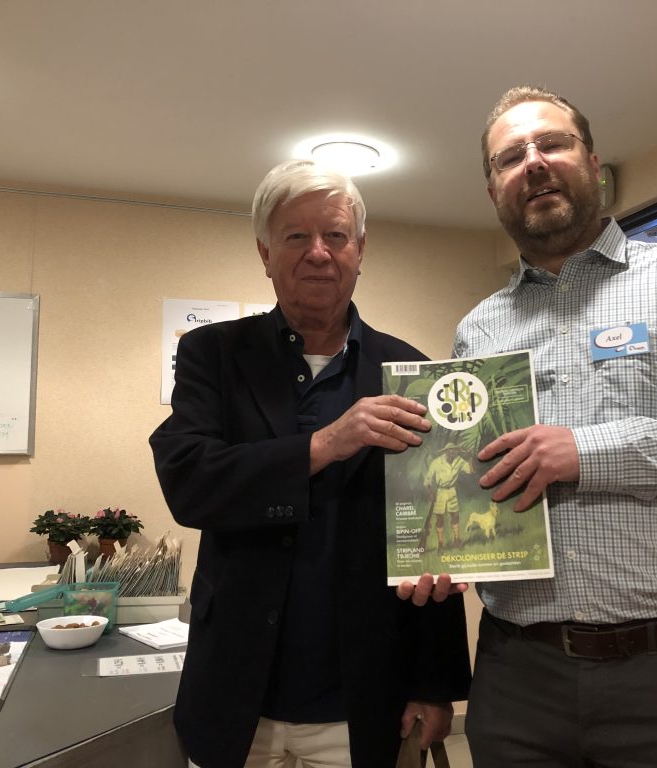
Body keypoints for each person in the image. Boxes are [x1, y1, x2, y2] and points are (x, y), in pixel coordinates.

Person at [407, 85, 657, 767]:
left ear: (593, 163)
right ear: (494, 190)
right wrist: (447, 552)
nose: (533, 163)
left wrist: (587, 452)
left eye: (552, 144)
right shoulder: (479, 329)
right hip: (516, 675)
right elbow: (480, 476)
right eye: (510, 157)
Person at [150, 159, 470, 768]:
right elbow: (190, 481)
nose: (318, 252)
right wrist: (324, 444)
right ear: (265, 253)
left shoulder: (409, 370)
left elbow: (435, 536)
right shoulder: (212, 354)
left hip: (364, 699)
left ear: (360, 250)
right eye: (296, 235)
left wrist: (434, 682)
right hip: (235, 697)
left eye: (336, 235)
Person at [422, 443, 475, 550]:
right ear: (445, 451)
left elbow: (471, 471)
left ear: (456, 451)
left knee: (455, 516)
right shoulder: (437, 462)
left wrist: (470, 457)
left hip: (452, 491)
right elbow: (427, 480)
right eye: (449, 450)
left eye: (454, 450)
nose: (452, 452)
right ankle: (440, 544)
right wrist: (431, 493)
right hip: (440, 492)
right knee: (440, 518)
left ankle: (457, 540)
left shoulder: (459, 461)